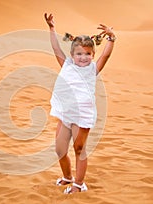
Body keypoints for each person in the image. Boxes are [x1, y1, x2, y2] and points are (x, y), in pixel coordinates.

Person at [44, 13, 116, 194]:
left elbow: (106, 56)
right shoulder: (67, 65)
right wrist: (52, 28)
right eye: (79, 54)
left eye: (87, 54)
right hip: (65, 113)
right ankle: (67, 177)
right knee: (60, 149)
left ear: (92, 54)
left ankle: (78, 184)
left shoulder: (93, 69)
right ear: (72, 54)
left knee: (78, 148)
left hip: (82, 115)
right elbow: (56, 49)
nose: (83, 57)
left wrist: (111, 38)